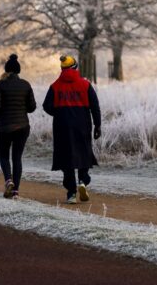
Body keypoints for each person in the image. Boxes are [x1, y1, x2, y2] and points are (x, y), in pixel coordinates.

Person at [43, 54, 101, 204]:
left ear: (62, 69)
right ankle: (83, 180)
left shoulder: (55, 86)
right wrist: (97, 125)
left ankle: (71, 194)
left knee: (66, 158)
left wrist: (59, 112)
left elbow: (46, 106)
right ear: (75, 68)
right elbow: (95, 106)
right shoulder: (85, 85)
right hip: (82, 125)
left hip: (62, 126)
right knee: (83, 152)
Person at [0, 53, 36, 200]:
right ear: (18, 70)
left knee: (4, 156)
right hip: (22, 126)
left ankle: (8, 180)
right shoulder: (26, 85)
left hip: (4, 127)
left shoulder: (1, 84)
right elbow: (32, 107)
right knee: (17, 158)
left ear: (7, 70)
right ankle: (15, 191)